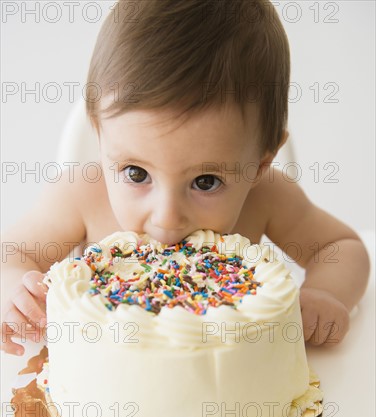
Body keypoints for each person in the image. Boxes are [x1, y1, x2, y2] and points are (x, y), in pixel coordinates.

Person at [0, 0, 370, 355]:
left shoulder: (267, 196)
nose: (167, 217)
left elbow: (340, 248)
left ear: (258, 166)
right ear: (100, 139)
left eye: (205, 182)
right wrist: (14, 294)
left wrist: (325, 294)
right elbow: (11, 254)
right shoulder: (82, 196)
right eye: (136, 173)